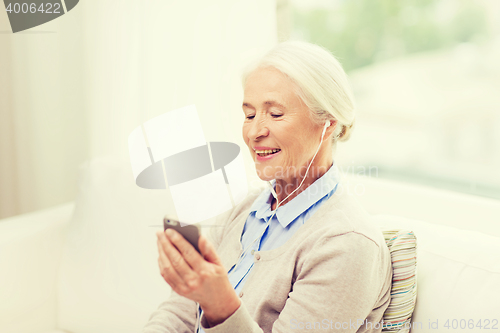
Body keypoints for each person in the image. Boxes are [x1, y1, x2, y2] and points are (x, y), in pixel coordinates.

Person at [143, 40, 393, 333]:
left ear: (327, 123)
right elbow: (180, 312)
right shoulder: (245, 210)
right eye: (249, 115)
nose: (254, 132)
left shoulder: (348, 244)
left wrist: (220, 305)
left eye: (275, 114)